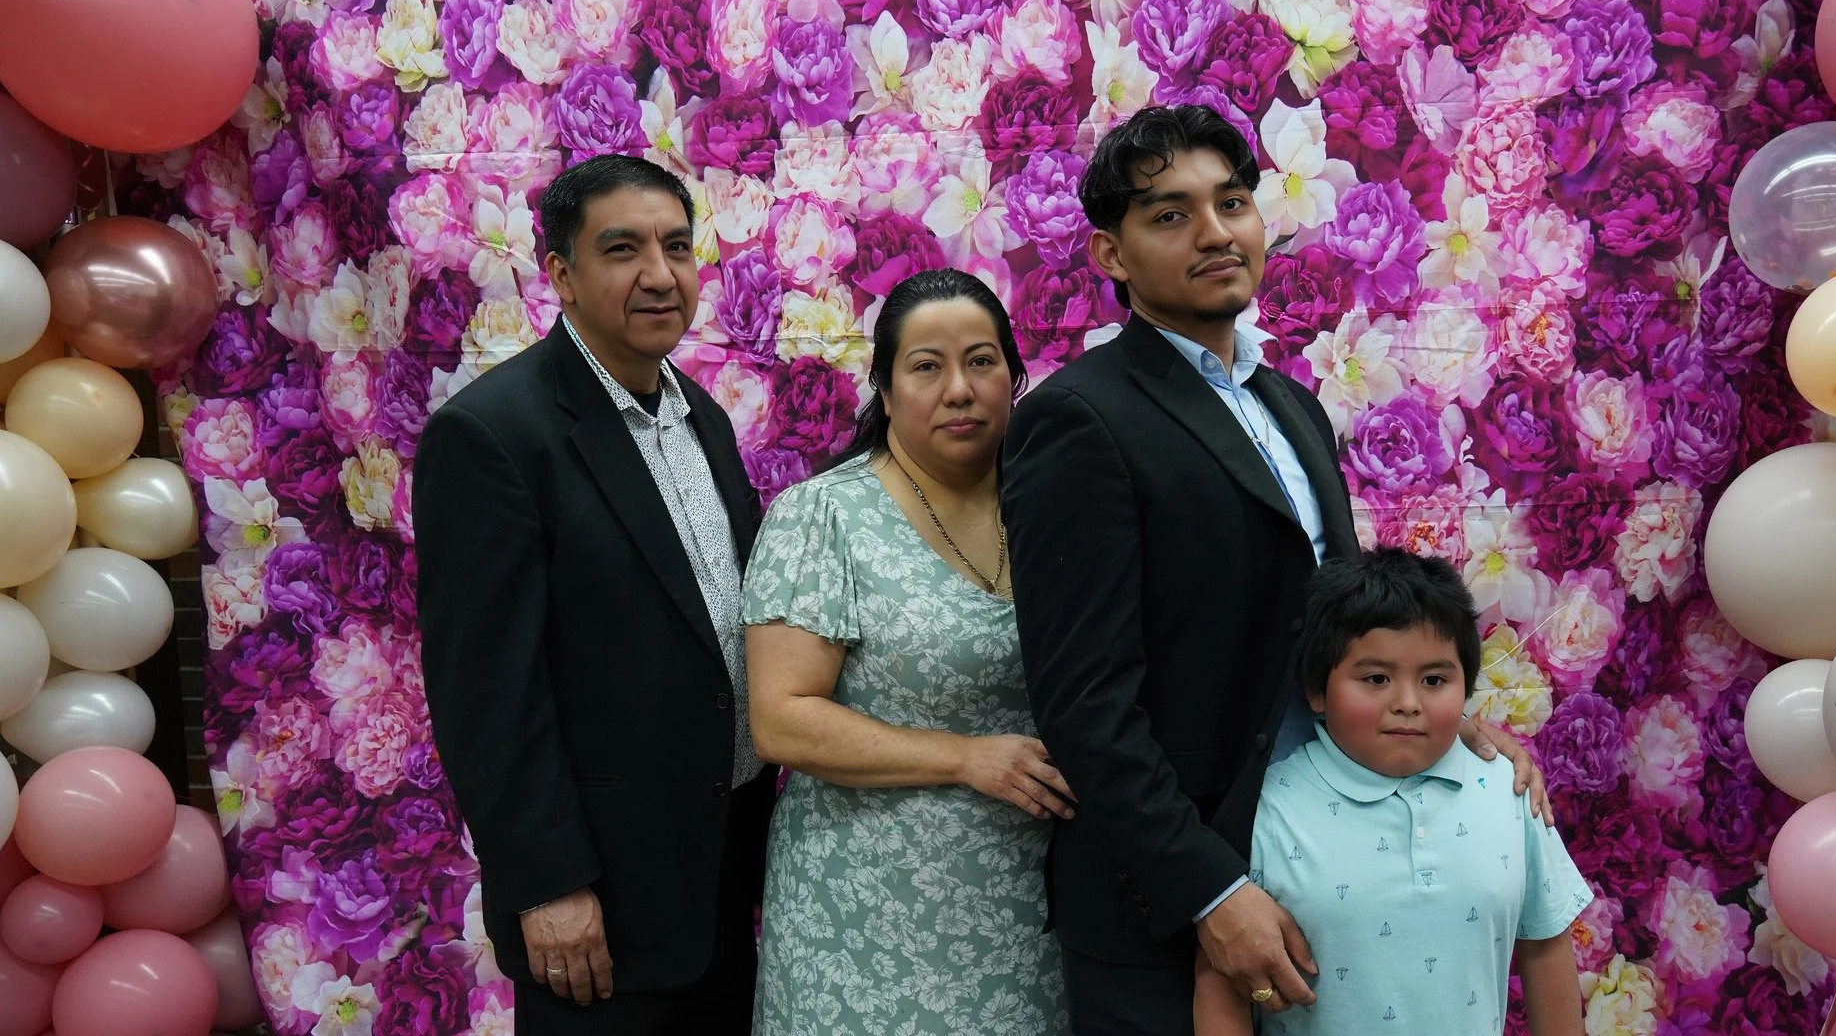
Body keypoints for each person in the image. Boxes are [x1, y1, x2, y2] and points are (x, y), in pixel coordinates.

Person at [1001, 104, 1547, 1035]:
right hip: (1170, 899)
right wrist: (1212, 892)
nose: (1216, 232)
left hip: (1321, 868)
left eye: (1234, 202)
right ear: (1109, 255)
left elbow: (1327, 629)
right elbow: (1086, 704)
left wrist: (1445, 721)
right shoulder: (1079, 418)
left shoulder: (1290, 402)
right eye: (1170, 214)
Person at [414, 154, 773, 1035]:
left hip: (722, 868)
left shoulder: (703, 416)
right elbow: (484, 690)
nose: (659, 275)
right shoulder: (494, 435)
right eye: (623, 249)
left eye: (678, 247)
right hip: (598, 900)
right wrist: (547, 883)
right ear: (562, 276)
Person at [743, 269, 1071, 1034]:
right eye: (927, 366)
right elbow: (782, 720)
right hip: (865, 916)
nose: (959, 388)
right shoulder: (823, 516)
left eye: (982, 361)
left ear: (1014, 380)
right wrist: (962, 757)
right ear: (886, 390)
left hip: (1031, 909)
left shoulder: (1060, 504)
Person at [1192, 548, 1589, 1036]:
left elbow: (1545, 944)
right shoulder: (1266, 810)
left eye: (1434, 679)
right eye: (1376, 678)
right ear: (1317, 689)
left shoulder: (1511, 790)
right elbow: (1220, 976)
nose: (1407, 703)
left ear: (1466, 689)